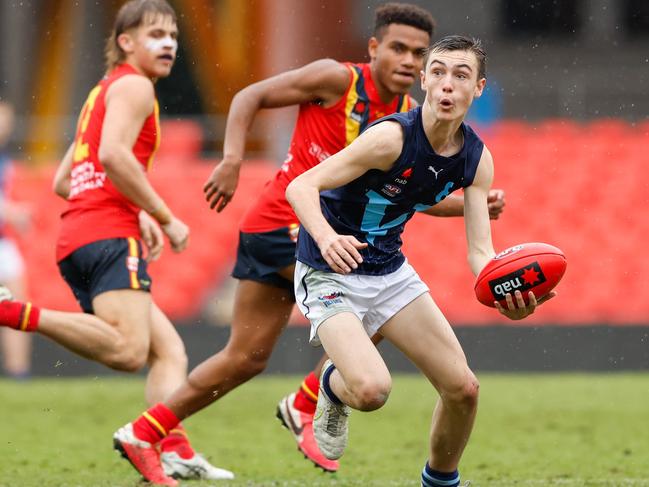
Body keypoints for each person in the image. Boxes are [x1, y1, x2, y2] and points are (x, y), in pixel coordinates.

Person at [110, 4, 506, 480]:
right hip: (282, 224)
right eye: (401, 49)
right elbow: (252, 98)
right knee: (361, 327)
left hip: (338, 240)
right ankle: (311, 398)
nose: (409, 61)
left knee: (246, 359)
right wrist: (233, 158)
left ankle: (149, 431)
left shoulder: (415, 121)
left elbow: (400, 196)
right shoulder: (340, 82)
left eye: (419, 52)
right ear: (375, 48)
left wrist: (472, 206)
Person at [284, 35, 555, 487]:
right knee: (371, 392)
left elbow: (479, 251)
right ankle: (332, 387)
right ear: (425, 80)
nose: (449, 85)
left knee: (463, 390)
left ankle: (440, 481)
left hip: (389, 272)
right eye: (441, 73)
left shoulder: (476, 159)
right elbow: (301, 187)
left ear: (479, 88)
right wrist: (328, 237)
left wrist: (507, 290)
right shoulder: (389, 138)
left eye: (462, 75)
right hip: (329, 269)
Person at [0, 1, 232, 485]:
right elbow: (112, 155)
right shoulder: (135, 86)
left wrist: (135, 209)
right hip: (105, 232)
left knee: (168, 352)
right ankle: (14, 313)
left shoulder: (101, 93)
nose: (169, 43)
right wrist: (163, 216)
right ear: (126, 42)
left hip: (81, 230)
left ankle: (174, 450)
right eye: (155, 35)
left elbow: (66, 179)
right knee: (129, 351)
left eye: (172, 35)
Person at [0, 100, 32, 379]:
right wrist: (13, 212)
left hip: (3, 242)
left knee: (18, 305)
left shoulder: (5, 157)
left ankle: (18, 373)